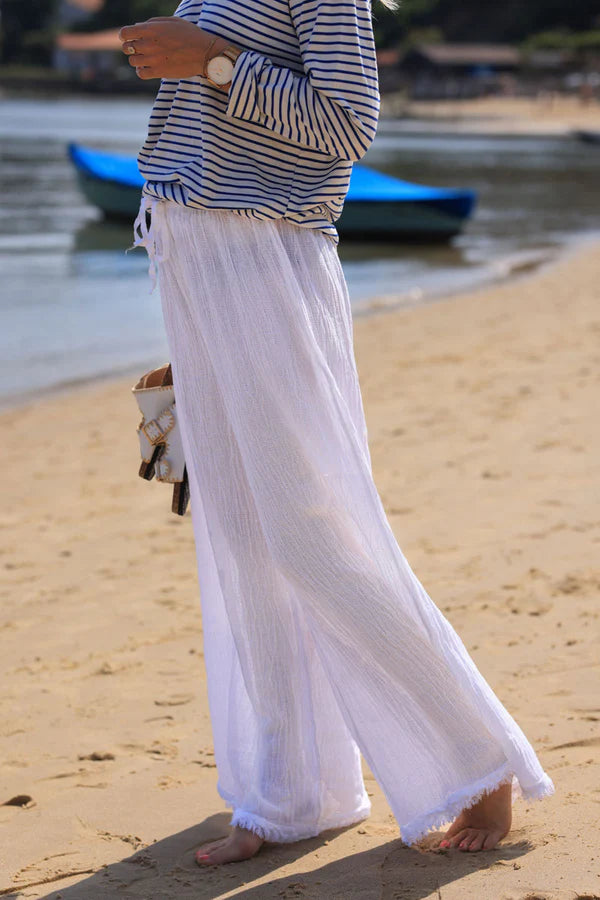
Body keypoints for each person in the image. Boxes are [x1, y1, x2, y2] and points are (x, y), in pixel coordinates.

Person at [119, 0, 555, 868]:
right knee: (242, 538)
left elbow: (346, 126)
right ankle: (293, 796)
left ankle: (479, 757)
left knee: (311, 539)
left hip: (265, 260)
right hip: (196, 259)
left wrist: (209, 60)